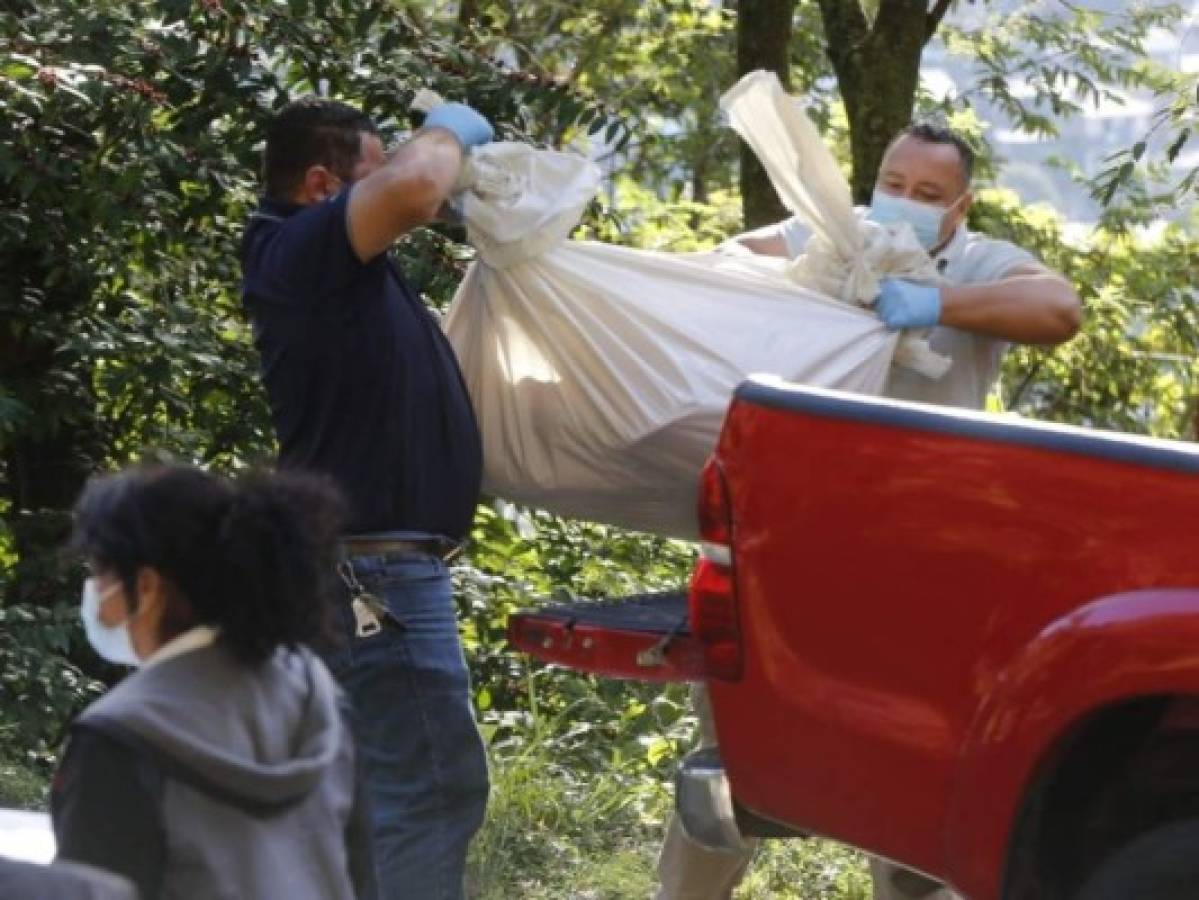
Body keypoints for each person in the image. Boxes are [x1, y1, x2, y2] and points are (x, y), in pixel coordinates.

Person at [656, 122, 1082, 900]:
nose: (905, 203)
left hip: (921, 554)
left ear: (959, 207)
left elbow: (1058, 310)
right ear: (873, 178)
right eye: (894, 184)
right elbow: (720, 266)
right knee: (731, 766)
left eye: (928, 195)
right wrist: (797, 279)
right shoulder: (830, 237)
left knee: (913, 774)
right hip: (787, 541)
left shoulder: (980, 261)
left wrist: (936, 303)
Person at [239, 96, 495, 899]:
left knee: (370, 797)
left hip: (364, 571)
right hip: (373, 577)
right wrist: (449, 129)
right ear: (322, 184)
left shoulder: (330, 269)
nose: (392, 184)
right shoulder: (300, 250)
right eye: (370, 168)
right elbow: (418, 186)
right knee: (430, 793)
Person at [52, 463, 373, 900]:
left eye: (98, 573)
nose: (92, 591)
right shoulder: (319, 698)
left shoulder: (116, 739)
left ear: (146, 587)